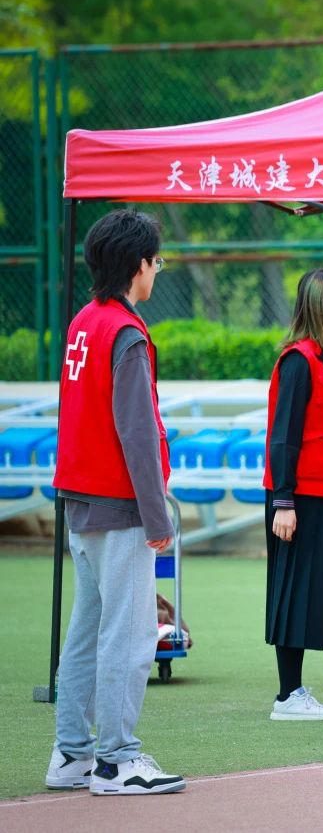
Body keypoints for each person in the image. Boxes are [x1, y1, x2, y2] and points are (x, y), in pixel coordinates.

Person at [47, 209, 185, 794]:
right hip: (118, 503)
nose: (157, 269)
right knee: (128, 637)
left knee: (86, 633)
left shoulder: (84, 321)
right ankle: (115, 760)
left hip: (80, 501)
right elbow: (137, 432)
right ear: (139, 265)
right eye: (156, 261)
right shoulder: (126, 332)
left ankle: (72, 755)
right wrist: (157, 516)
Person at [262, 270, 323, 722]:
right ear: (318, 304)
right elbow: (283, 435)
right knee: (296, 590)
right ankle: (288, 695)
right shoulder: (298, 360)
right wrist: (284, 501)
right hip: (300, 496)